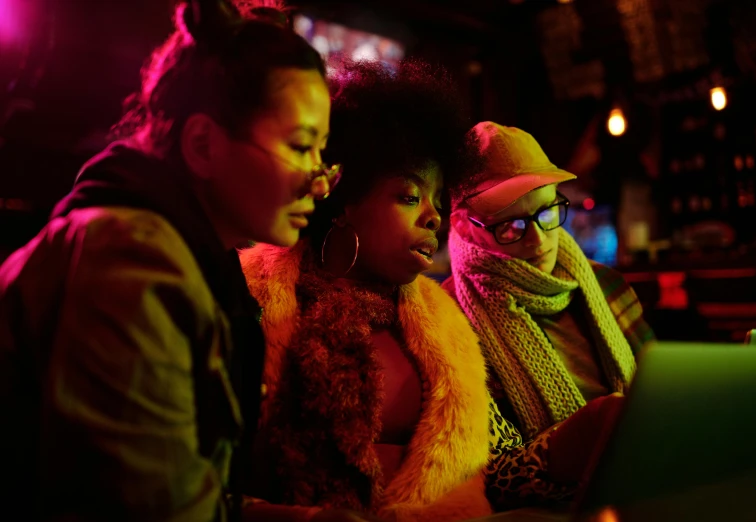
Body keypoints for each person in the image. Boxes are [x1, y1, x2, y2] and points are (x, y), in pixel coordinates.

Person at [0, 1, 340, 520]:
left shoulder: (201, 262)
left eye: (322, 153)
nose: (319, 182)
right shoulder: (129, 264)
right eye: (299, 147)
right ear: (203, 144)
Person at [240, 61, 573, 522]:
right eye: (410, 196)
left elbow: (491, 467)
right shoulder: (250, 299)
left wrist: (574, 444)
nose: (433, 217)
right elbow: (193, 478)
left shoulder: (447, 323)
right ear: (346, 200)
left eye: (438, 202)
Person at [444, 122, 655, 505]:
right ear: (464, 224)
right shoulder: (449, 320)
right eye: (512, 225)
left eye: (547, 213)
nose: (538, 238)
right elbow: (484, 476)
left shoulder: (607, 285)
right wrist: (581, 435)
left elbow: (661, 394)